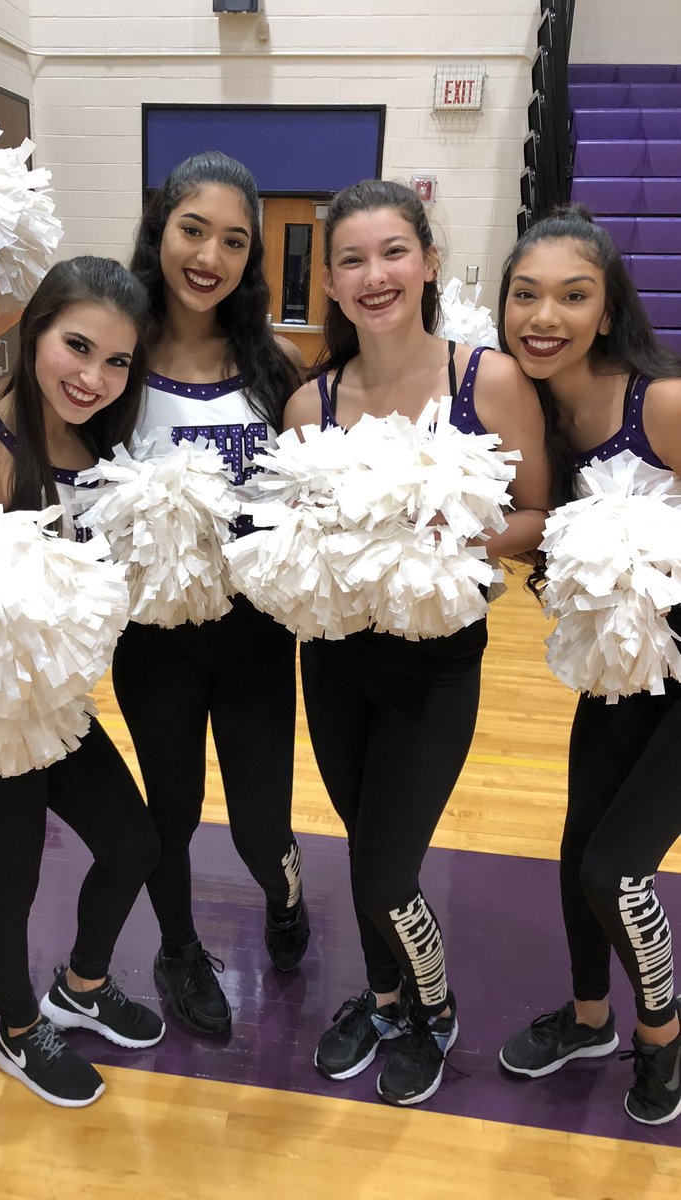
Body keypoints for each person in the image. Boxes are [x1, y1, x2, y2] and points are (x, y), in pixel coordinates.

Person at [283, 179, 550, 1106]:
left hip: (436, 666)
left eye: (393, 251)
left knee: (388, 865)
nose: (374, 275)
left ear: (429, 261)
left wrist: (457, 534)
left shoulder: (491, 378)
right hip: (336, 660)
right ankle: (385, 993)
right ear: (330, 279)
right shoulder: (309, 401)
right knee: (365, 846)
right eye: (351, 259)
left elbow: (539, 514)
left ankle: (436, 1012)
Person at [0, 256, 164, 1108]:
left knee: (134, 845)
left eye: (116, 362)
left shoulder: (100, 446)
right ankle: (20, 1032)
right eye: (76, 347)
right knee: (12, 883)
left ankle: (84, 987)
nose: (93, 376)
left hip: (58, 709)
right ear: (34, 338)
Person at [110, 151, 308, 1037]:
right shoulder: (114, 355)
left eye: (234, 241)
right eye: (194, 230)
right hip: (152, 634)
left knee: (264, 827)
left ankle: (285, 893)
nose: (210, 256)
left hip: (257, 629)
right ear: (161, 231)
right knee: (172, 810)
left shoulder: (276, 366)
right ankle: (179, 947)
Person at [496, 206, 681, 1126]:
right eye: (525, 294)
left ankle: (661, 1036)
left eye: (574, 295)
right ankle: (588, 1018)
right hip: (622, 672)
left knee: (616, 868)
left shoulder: (662, 403)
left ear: (607, 312)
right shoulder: (528, 417)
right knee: (578, 852)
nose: (545, 315)